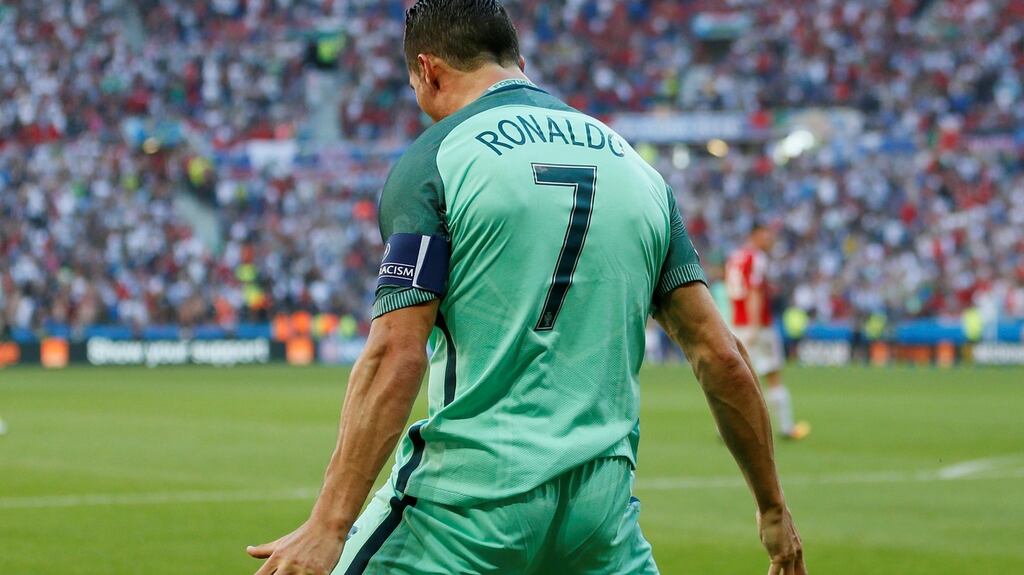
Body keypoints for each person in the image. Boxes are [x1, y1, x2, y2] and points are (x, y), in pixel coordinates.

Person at [247, 1, 806, 574]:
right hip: (600, 519)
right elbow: (722, 357)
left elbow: (396, 350)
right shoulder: (638, 171)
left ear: (429, 70)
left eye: (416, 85)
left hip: (465, 512)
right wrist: (771, 509)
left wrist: (330, 524)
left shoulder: (435, 161)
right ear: (517, 58)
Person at [726, 223, 811, 441]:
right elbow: (754, 292)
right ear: (755, 235)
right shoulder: (756, 258)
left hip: (736, 324)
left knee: (737, 378)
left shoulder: (735, 257)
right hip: (757, 327)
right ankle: (786, 427)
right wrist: (754, 326)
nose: (770, 240)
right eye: (766, 235)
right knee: (773, 376)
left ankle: (726, 428)